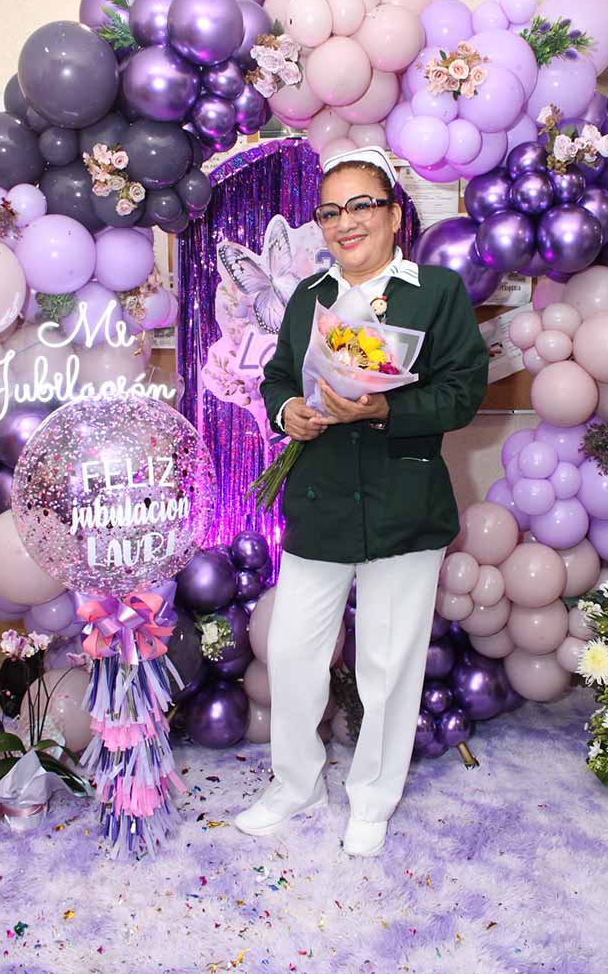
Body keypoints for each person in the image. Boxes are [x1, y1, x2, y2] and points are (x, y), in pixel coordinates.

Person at [234, 146, 489, 856]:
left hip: (404, 502)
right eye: (330, 211)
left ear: (394, 214)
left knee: (387, 664)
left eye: (361, 206)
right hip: (319, 502)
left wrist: (382, 410)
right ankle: (295, 784)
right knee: (291, 653)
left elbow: (462, 393)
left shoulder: (435, 291)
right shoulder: (308, 296)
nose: (345, 223)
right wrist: (288, 411)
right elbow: (279, 377)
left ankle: (373, 798)